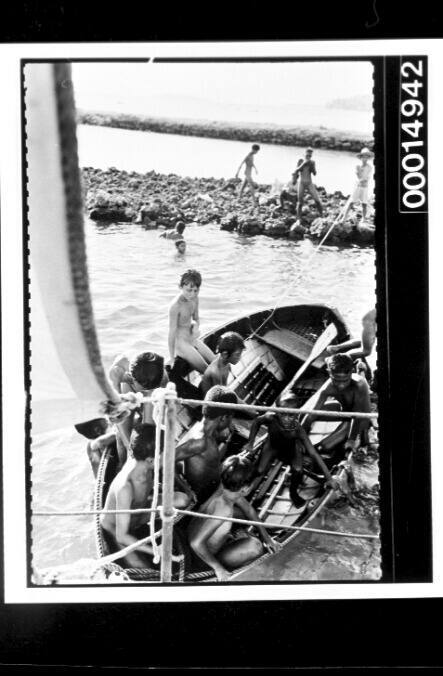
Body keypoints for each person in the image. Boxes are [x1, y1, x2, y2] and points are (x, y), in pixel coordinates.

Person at [100, 424, 190, 569]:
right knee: (144, 568)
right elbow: (121, 536)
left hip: (139, 511)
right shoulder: (125, 487)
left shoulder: (143, 458)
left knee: (183, 499)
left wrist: (185, 487)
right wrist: (158, 551)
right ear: (150, 460)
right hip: (116, 529)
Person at [188, 455, 281, 581]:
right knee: (255, 546)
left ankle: (232, 538)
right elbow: (196, 543)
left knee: (243, 515)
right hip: (203, 558)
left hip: (194, 540)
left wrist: (267, 538)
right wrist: (218, 569)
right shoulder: (223, 510)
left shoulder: (224, 488)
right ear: (245, 489)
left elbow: (248, 510)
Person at [243, 390, 338, 508]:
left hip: (290, 450)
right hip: (272, 446)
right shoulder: (271, 418)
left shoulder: (298, 430)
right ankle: (246, 486)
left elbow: (313, 453)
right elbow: (257, 422)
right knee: (259, 470)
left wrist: (329, 478)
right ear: (277, 412)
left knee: (298, 470)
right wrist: (250, 443)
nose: (287, 419)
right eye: (283, 414)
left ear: (297, 414)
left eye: (291, 415)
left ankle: (293, 493)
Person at [175, 385, 237, 503]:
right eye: (231, 418)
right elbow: (165, 461)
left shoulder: (210, 434)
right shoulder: (200, 441)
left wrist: (228, 440)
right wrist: (186, 489)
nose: (231, 422)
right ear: (224, 418)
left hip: (213, 486)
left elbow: (212, 460)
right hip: (203, 495)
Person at [301, 353, 372, 453]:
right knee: (304, 413)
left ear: (351, 372)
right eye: (336, 380)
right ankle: (361, 369)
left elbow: (357, 416)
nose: (341, 385)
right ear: (329, 373)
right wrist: (300, 436)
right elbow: (311, 414)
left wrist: (351, 439)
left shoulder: (359, 385)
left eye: (345, 381)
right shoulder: (328, 387)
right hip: (344, 412)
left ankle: (361, 370)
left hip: (360, 419)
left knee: (324, 447)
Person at [108, 351, 168, 465]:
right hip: (128, 388)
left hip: (152, 395)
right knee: (120, 436)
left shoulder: (161, 375)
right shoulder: (118, 375)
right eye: (145, 389)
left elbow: (152, 424)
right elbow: (118, 414)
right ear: (132, 378)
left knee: (150, 431)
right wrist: (129, 448)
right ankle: (123, 465)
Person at [168, 269, 216, 374]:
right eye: (189, 290)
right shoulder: (176, 306)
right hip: (181, 344)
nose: (192, 294)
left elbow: (196, 318)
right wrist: (172, 358)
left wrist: (196, 326)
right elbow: (171, 333)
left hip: (192, 338)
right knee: (208, 371)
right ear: (180, 287)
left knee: (217, 363)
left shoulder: (195, 299)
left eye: (196, 290)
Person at [200, 331, 245, 397]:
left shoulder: (226, 363)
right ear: (225, 354)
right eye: (237, 354)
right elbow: (219, 398)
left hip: (219, 392)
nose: (240, 358)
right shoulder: (216, 373)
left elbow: (224, 387)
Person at [339, 147, 374, 224]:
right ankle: (344, 218)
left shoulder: (369, 167)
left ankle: (363, 219)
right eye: (363, 156)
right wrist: (361, 178)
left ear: (368, 158)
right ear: (361, 157)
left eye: (367, 156)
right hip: (357, 186)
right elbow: (358, 175)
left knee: (364, 203)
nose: (365, 158)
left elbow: (367, 177)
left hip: (365, 187)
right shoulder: (357, 166)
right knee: (351, 202)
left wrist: (363, 179)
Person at [295, 147, 323, 218]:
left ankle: (322, 215)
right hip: (301, 183)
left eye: (310, 156)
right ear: (304, 154)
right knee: (300, 202)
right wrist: (304, 163)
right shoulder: (300, 161)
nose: (308, 157)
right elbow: (296, 170)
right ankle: (298, 218)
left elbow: (314, 173)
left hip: (309, 183)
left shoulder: (312, 162)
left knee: (317, 200)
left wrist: (312, 167)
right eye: (307, 155)